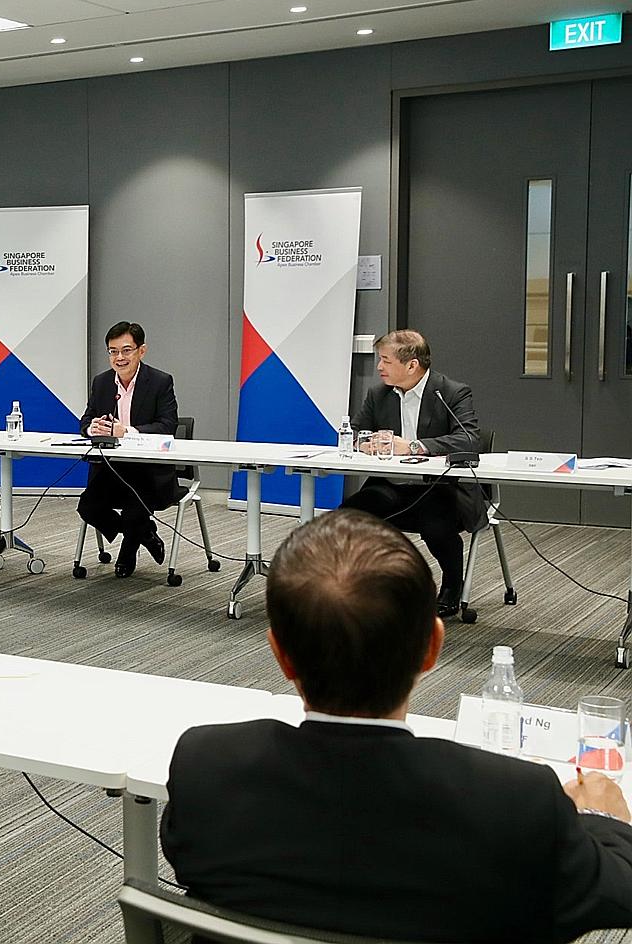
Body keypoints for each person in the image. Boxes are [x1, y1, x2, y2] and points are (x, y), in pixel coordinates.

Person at [162, 509, 632, 942]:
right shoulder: (518, 801)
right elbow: (620, 891)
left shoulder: (205, 767)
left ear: (279, 653)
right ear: (433, 646)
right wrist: (603, 819)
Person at [341, 328, 482, 618]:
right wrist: (364, 444)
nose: (379, 367)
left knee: (435, 525)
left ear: (412, 365)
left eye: (385, 361)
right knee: (346, 517)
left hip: (440, 488)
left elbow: (470, 439)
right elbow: (354, 432)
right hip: (391, 486)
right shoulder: (378, 394)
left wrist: (415, 446)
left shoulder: (451, 392)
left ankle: (452, 586)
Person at [75, 321, 179, 578]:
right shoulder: (101, 383)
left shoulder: (160, 382)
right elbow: (85, 421)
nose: (119, 358)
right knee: (87, 507)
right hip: (111, 470)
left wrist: (128, 432)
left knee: (135, 509)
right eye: (113, 351)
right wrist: (93, 429)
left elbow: (168, 427)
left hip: (149, 472)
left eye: (126, 350)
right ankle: (145, 532)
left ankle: (131, 543)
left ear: (141, 351)